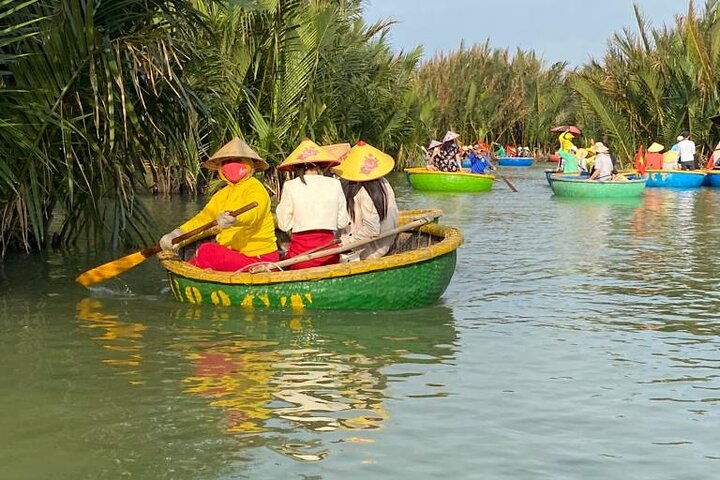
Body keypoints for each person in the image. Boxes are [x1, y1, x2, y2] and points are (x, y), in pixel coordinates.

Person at [159, 138, 278, 271]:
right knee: (208, 252)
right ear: (221, 168)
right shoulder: (221, 194)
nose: (232, 165)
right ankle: (194, 265)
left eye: (238, 161)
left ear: (249, 164)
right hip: (233, 254)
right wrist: (178, 233)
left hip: (258, 258)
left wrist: (235, 219)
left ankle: (194, 266)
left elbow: (254, 212)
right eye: (226, 162)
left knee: (206, 251)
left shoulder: (255, 188)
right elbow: (204, 218)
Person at [275, 139, 349, 269]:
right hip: (329, 254)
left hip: (301, 254)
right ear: (319, 166)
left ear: (297, 167)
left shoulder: (290, 186)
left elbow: (284, 225)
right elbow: (342, 222)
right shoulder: (335, 184)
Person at [334, 141, 400, 260]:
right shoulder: (384, 182)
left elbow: (371, 230)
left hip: (373, 250)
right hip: (386, 242)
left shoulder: (363, 192)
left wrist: (345, 242)